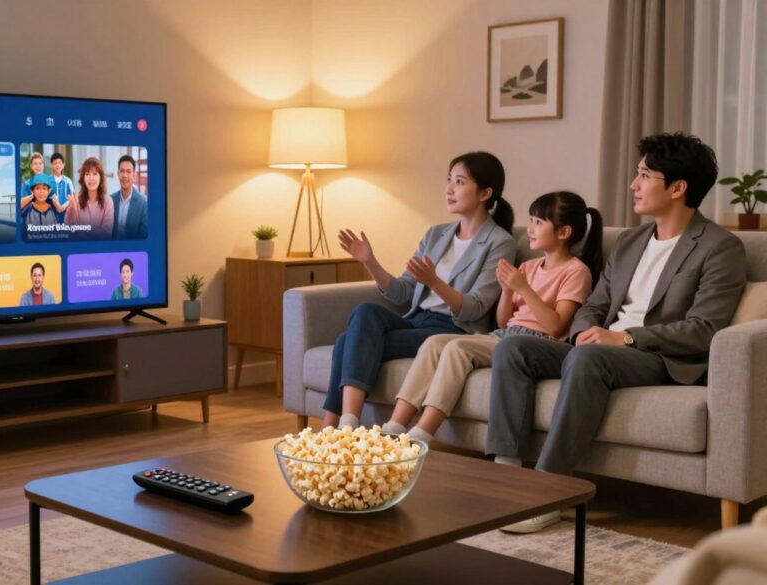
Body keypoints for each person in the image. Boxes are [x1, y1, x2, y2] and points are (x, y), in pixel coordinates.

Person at [486, 132, 747, 534]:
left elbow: (703, 329)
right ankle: (508, 476)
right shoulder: (630, 240)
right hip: (598, 349)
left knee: (589, 357)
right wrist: (587, 331)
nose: (633, 184)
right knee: (514, 349)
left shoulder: (719, 246)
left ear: (678, 188)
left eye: (645, 175)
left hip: (660, 358)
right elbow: (593, 305)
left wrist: (625, 338)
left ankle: (549, 490)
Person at [380, 192, 603, 447]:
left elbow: (556, 326)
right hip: (507, 335)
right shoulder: (529, 267)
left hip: (540, 343)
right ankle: (395, 425)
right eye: (530, 221)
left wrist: (524, 289)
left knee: (457, 348)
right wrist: (508, 291)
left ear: (563, 232)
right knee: (434, 343)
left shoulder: (577, 272)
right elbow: (502, 321)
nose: (530, 229)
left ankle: (423, 432)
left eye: (539, 223)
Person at [320, 152, 517, 430]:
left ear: (485, 192)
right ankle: (347, 422)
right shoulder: (436, 234)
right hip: (417, 321)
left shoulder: (499, 242)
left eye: (459, 182)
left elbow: (475, 307)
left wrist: (436, 282)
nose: (449, 189)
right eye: (449, 180)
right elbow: (402, 292)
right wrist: (370, 262)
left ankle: (335, 427)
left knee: (346, 341)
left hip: (453, 330)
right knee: (365, 312)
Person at [64, 157, 114, 239]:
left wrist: (81, 232)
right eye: (87, 174)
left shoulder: (108, 201)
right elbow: (68, 231)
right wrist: (72, 209)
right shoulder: (76, 200)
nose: (91, 178)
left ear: (100, 177)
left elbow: (106, 234)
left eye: (95, 174)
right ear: (83, 178)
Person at [110, 154, 149, 240]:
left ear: (134, 175)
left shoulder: (144, 204)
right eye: (122, 171)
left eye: (128, 171)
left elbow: (143, 236)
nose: (125, 175)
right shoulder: (110, 200)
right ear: (118, 174)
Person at [49, 152, 74, 222]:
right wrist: (57, 206)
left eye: (59, 163)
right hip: (50, 217)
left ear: (63, 165)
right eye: (55, 163)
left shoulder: (68, 181)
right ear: (51, 166)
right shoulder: (47, 181)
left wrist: (62, 207)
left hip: (66, 216)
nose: (57, 165)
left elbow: (72, 197)